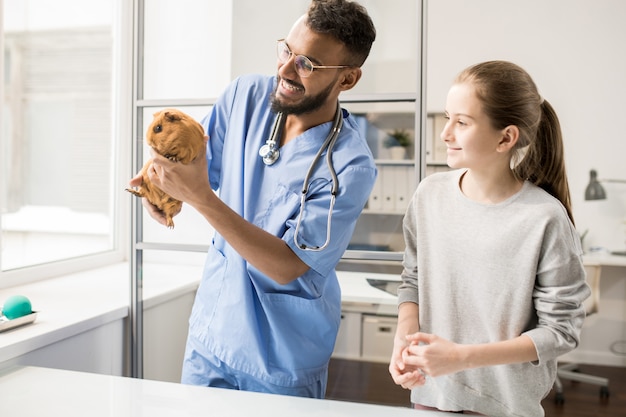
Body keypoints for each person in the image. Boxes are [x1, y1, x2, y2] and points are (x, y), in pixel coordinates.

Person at [129, 0, 376, 399]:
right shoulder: (246, 96)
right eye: (286, 51)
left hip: (282, 360)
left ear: (347, 79)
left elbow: (288, 265)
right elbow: (195, 163)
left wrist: (202, 199)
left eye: (307, 65)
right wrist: (157, 185)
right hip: (212, 338)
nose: (285, 70)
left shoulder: (350, 166)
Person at [388, 61, 591, 416]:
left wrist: (461, 358)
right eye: (448, 117)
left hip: (503, 405)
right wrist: (404, 339)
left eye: (462, 122)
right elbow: (413, 279)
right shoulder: (429, 195)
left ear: (506, 137)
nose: (445, 133)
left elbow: (561, 331)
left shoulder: (544, 218)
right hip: (432, 394)